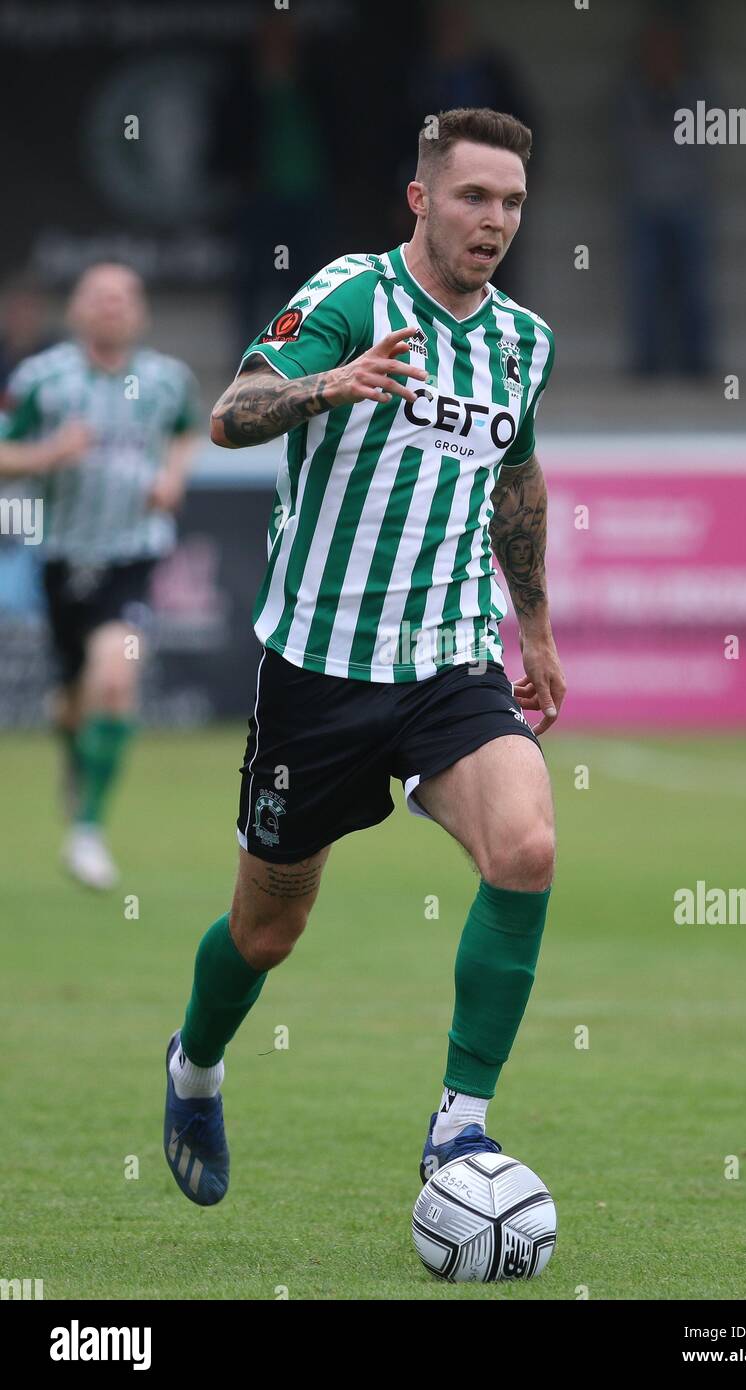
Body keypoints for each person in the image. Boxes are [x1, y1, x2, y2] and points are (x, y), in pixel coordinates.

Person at [163, 107, 565, 1207]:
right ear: (422, 199)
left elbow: (514, 476)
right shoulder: (351, 296)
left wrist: (532, 623)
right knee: (268, 927)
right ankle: (195, 1061)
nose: (495, 220)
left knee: (526, 844)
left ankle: (461, 1133)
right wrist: (323, 387)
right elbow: (231, 413)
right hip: (320, 669)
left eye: (513, 203)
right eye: (475, 196)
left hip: (448, 663)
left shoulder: (522, 343)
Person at [0, 263, 201, 888]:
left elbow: (185, 432)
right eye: (99, 297)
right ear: (80, 308)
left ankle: (86, 831)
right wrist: (48, 454)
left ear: (139, 311)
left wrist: (173, 477)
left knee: (116, 679)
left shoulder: (167, 380)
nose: (112, 307)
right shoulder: (42, 380)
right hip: (63, 558)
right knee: (69, 706)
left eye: (124, 298)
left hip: (133, 557)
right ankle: (74, 759)